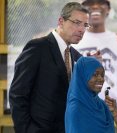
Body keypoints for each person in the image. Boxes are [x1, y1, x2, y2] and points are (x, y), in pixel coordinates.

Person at [9, 2, 89, 133]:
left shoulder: (76, 56)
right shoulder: (37, 47)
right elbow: (17, 94)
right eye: (76, 23)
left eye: (85, 25)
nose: (82, 30)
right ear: (61, 21)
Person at [73, 0, 117, 109]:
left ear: (108, 9)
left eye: (101, 2)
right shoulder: (73, 41)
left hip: (114, 110)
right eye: (89, 3)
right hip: (81, 109)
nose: (95, 6)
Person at [65, 56, 114, 133]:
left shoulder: (101, 104)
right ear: (83, 77)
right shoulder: (76, 108)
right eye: (95, 74)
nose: (101, 79)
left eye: (102, 75)